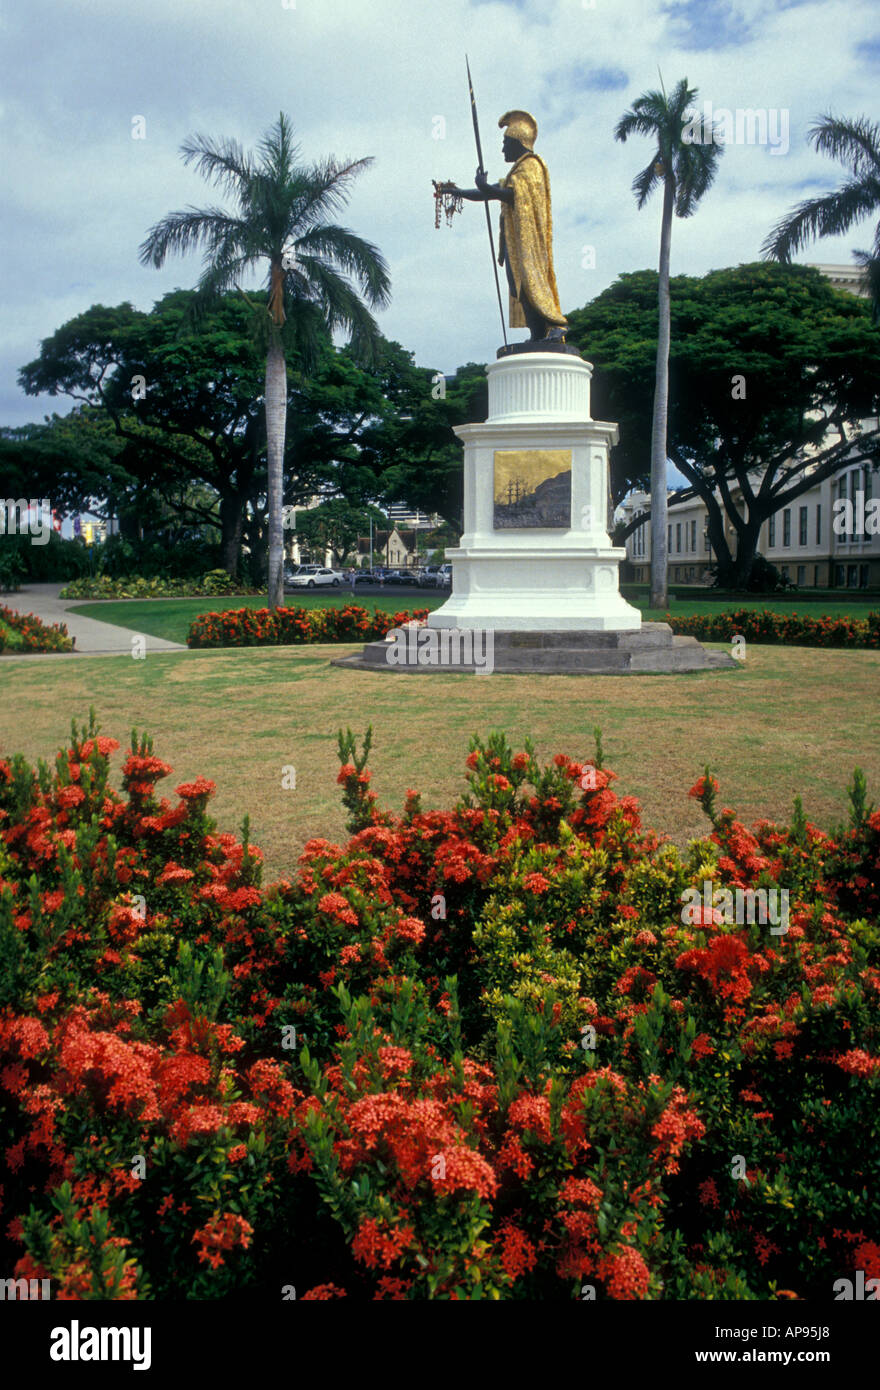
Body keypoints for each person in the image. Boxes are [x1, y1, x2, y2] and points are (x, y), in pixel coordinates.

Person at [452, 110, 568, 342]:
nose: (503, 149)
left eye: (506, 143)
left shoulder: (532, 166)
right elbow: (490, 193)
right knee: (518, 288)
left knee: (532, 281)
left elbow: (512, 196)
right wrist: (457, 192)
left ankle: (556, 324)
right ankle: (537, 333)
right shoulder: (516, 172)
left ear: (518, 142)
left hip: (529, 245)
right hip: (514, 244)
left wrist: (486, 187)